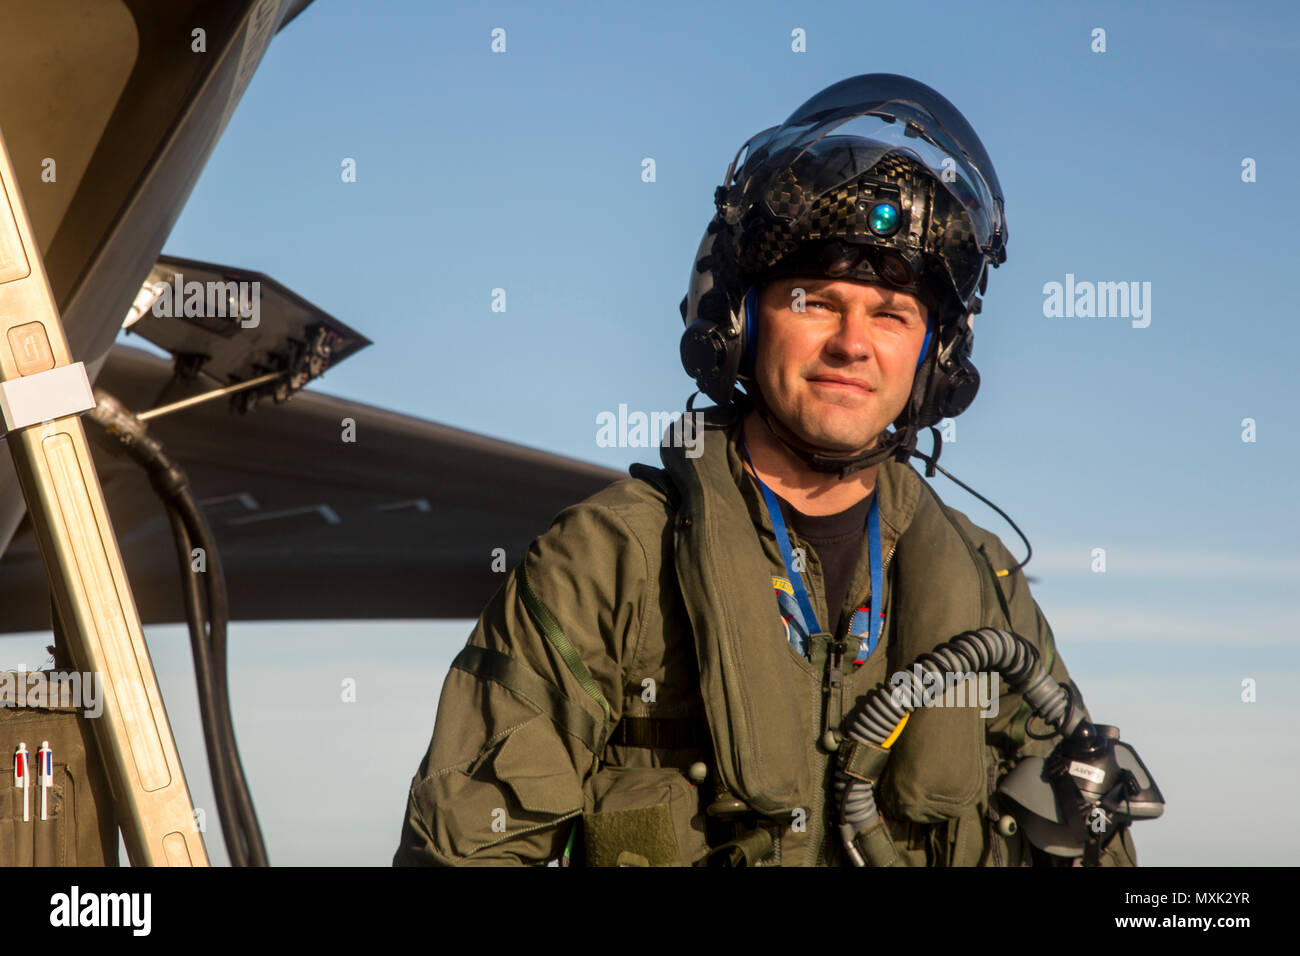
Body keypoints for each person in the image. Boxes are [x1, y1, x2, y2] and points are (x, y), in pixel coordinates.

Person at [393, 73, 1140, 867]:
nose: (853, 345)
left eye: (891, 316)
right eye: (815, 301)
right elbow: (468, 846)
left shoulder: (986, 588)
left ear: (935, 361)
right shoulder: (612, 559)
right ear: (740, 323)